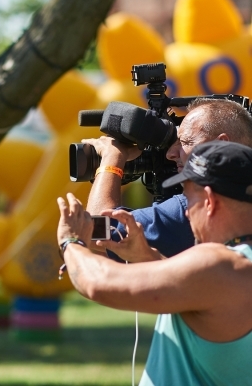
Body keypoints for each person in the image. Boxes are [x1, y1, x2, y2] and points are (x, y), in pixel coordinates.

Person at [57, 140, 252, 385]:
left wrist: (71, 242)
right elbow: (199, 296)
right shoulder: (235, 268)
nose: (186, 212)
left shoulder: (217, 265)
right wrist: (145, 256)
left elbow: (99, 283)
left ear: (209, 201)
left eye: (188, 199)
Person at [83, 98, 252, 260]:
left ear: (221, 144)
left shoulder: (203, 204)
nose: (170, 154)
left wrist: (112, 157)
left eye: (184, 142)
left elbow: (96, 230)